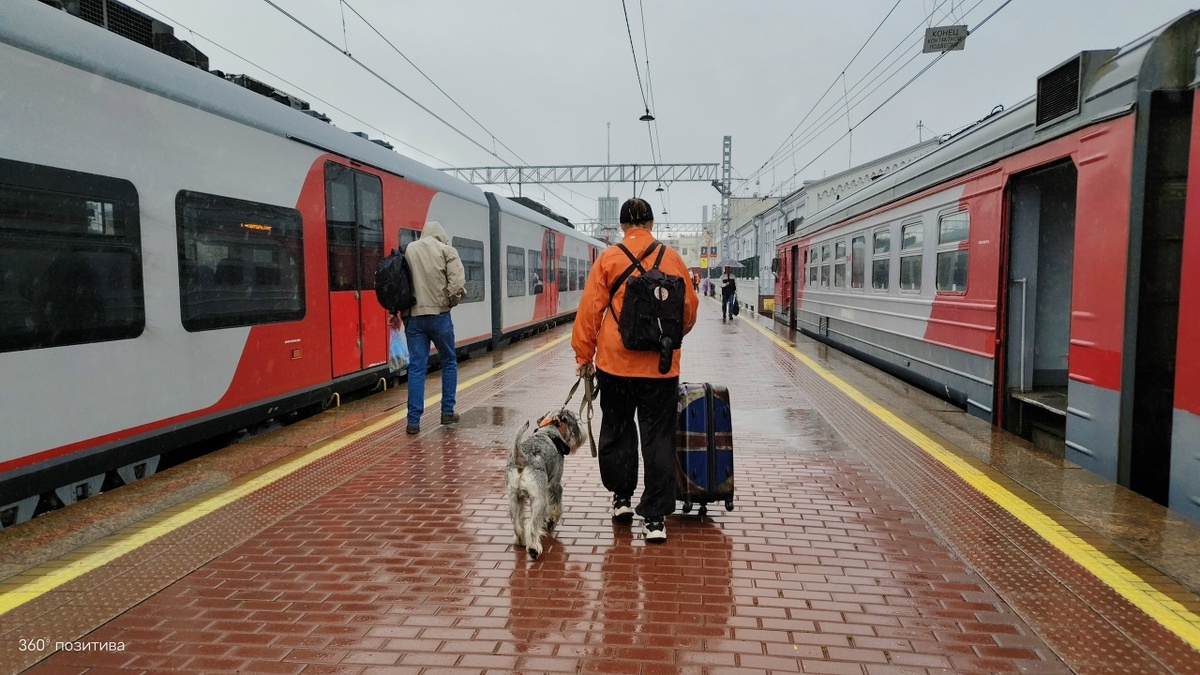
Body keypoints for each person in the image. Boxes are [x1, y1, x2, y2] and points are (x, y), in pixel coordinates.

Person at [572, 197, 699, 542]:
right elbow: (688, 312)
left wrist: (584, 357)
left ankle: (622, 499)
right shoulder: (672, 258)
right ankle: (655, 519)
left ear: (623, 225)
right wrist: (666, 340)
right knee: (658, 437)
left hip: (615, 365)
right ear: (652, 224)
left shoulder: (608, 259)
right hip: (661, 367)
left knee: (618, 430)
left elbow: (589, 313)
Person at [401, 220, 466, 435]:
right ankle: (447, 411)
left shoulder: (410, 249)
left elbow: (402, 282)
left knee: (417, 367)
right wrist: (449, 301)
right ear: (441, 235)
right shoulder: (446, 250)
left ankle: (413, 422)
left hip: (415, 318)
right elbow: (457, 283)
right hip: (440, 316)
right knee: (448, 362)